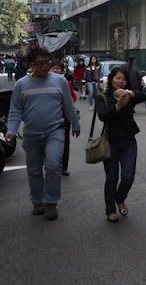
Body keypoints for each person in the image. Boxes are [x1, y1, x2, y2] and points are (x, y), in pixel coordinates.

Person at [6, 47, 81, 221]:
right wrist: (11, 130)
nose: (45, 66)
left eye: (47, 62)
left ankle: (51, 203)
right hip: (31, 133)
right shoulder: (21, 85)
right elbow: (16, 110)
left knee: (54, 165)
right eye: (40, 63)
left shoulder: (59, 81)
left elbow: (68, 106)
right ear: (30, 64)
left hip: (55, 130)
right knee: (34, 170)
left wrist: (75, 125)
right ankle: (37, 201)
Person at [96, 67, 146, 223]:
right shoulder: (103, 97)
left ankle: (120, 198)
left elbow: (143, 95)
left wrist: (128, 94)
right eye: (118, 78)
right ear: (111, 79)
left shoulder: (129, 95)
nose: (121, 81)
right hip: (110, 142)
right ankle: (110, 209)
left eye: (123, 79)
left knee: (128, 177)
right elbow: (103, 116)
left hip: (129, 142)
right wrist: (118, 106)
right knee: (112, 178)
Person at [50, 59, 77, 176]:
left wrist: (66, 103)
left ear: (62, 71)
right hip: (50, 119)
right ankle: (50, 165)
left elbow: (73, 97)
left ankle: (63, 167)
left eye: (58, 68)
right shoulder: (45, 83)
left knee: (65, 143)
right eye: (53, 68)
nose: (56, 70)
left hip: (65, 118)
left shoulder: (67, 83)